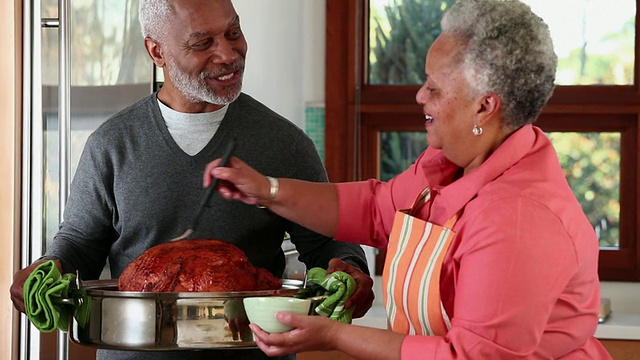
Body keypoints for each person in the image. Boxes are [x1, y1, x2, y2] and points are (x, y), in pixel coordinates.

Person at [203, 0, 613, 358]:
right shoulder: (449, 165)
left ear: (485, 107)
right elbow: (378, 210)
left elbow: (468, 358)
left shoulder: (517, 219)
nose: (420, 96)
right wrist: (267, 191)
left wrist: (333, 335)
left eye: (434, 88)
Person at [10, 0, 373, 359]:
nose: (228, 54)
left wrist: (350, 270)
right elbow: (81, 245)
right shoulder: (111, 144)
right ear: (157, 51)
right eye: (203, 43)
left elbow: (327, 245)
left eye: (233, 33)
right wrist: (49, 270)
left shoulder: (284, 144)